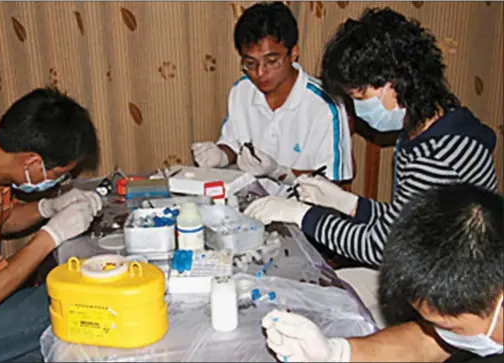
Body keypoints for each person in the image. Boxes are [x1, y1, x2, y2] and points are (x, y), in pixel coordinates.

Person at [244, 7, 498, 326]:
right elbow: (408, 221)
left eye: (360, 95)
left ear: (395, 81)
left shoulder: (441, 151)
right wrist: (348, 204)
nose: (357, 108)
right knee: (316, 293)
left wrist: (303, 215)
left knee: (322, 312)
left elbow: (383, 248)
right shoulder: (422, 127)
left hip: (453, 299)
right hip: (423, 274)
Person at [261, 183, 503, 362]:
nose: (445, 334)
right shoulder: (470, 317)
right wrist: (337, 353)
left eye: (452, 329)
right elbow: (426, 341)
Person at [0, 87, 103, 362]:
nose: (60, 180)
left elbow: (3, 221)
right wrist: (51, 234)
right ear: (32, 161)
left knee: (51, 350)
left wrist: (48, 207)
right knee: (80, 301)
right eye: (60, 174)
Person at [191, 1, 353, 195]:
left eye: (271, 61)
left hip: (304, 212)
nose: (260, 73)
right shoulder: (242, 91)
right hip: (249, 204)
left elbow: (333, 184)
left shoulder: (326, 105)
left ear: (294, 53)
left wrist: (280, 173)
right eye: (250, 63)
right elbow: (233, 144)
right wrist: (221, 156)